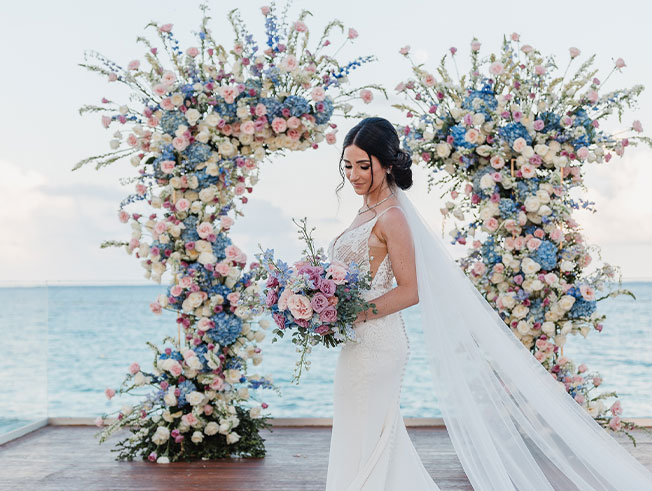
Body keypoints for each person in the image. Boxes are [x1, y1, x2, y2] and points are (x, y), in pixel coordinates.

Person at [325, 117, 652, 490]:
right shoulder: (364, 211)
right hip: (355, 342)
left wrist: (352, 311)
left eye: (363, 166)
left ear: (387, 164)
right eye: (348, 166)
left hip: (377, 345)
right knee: (360, 433)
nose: (353, 175)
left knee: (367, 435)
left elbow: (411, 289)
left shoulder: (392, 216)